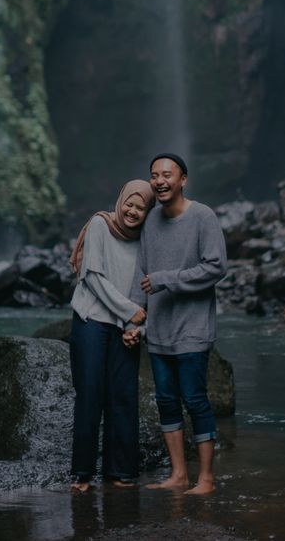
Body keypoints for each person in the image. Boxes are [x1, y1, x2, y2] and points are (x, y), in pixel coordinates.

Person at [128, 152, 227, 495]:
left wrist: (167, 278)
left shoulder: (203, 217)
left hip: (193, 328)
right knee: (166, 401)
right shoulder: (151, 221)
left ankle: (207, 479)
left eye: (167, 174)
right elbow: (141, 273)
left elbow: (216, 267)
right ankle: (179, 475)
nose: (160, 180)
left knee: (195, 400)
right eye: (154, 175)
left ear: (183, 179)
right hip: (159, 331)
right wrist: (133, 319)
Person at [68, 178, 155, 492]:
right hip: (91, 319)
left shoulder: (145, 240)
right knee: (90, 394)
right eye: (129, 204)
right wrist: (129, 312)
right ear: (121, 201)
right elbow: (92, 276)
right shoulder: (99, 225)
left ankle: (119, 472)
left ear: (148, 212)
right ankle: (82, 474)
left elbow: (144, 291)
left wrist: (138, 328)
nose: (132, 212)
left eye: (140, 208)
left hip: (124, 327)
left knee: (123, 397)